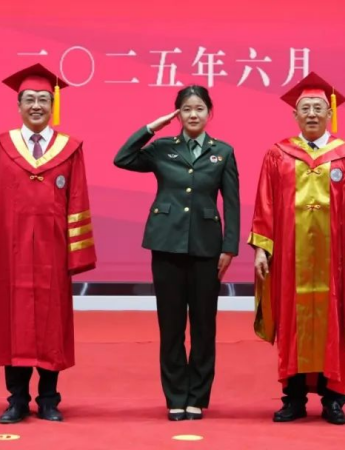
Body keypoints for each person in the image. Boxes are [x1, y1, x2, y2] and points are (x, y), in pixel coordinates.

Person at [0, 63, 96, 424]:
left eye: (43, 99)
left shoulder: (70, 149)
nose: (37, 105)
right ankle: (17, 400)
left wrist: (76, 252)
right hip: (12, 251)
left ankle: (49, 400)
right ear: (18, 105)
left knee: (52, 324)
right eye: (30, 99)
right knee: (14, 322)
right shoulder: (1, 145)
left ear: (53, 105)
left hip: (53, 251)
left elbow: (78, 200)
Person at [248, 72, 345, 425]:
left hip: (334, 260)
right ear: (294, 114)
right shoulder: (278, 155)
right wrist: (261, 249)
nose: (311, 113)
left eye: (318, 108)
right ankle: (293, 398)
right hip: (289, 260)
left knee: (333, 321)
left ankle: (333, 399)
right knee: (291, 320)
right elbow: (264, 206)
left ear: (329, 113)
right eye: (304, 108)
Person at [114, 85, 240, 421]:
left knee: (203, 326)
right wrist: (151, 128)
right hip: (166, 244)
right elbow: (122, 158)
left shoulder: (223, 152)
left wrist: (229, 248)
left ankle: (196, 396)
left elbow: (232, 203)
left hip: (207, 248)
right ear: (178, 114)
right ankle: (175, 396)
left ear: (209, 113)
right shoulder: (162, 148)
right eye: (186, 109)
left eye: (199, 108)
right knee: (170, 326)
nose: (193, 114)